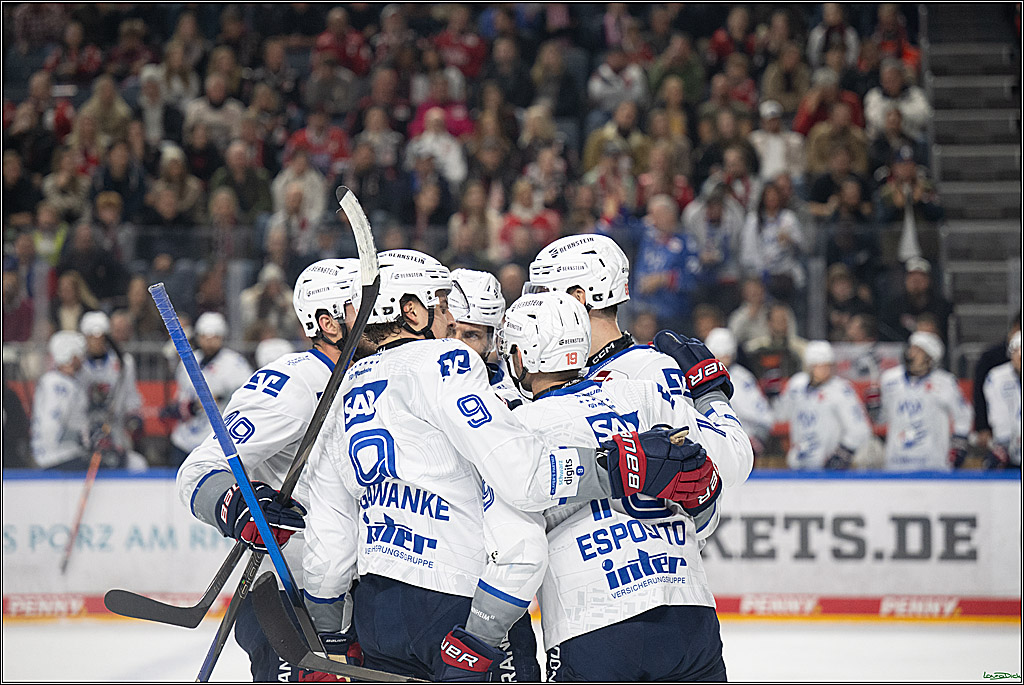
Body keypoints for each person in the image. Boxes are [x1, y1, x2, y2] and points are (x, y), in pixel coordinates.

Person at [300, 250, 708, 681]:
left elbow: (329, 543)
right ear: (412, 311)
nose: (448, 322)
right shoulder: (444, 361)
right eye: (440, 307)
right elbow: (523, 477)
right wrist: (621, 467)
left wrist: (329, 641)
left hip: (378, 610)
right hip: (455, 603)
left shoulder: (343, 386)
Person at [471, 291, 750, 682]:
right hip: (688, 609)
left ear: (520, 357)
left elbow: (519, 553)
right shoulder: (644, 393)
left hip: (594, 622)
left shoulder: (519, 429)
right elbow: (704, 506)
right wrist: (711, 395)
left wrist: (475, 638)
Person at [176, 259, 359, 682]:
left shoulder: (377, 378)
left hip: (352, 599)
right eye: (364, 309)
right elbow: (199, 469)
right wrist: (239, 505)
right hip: (288, 600)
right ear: (330, 324)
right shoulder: (294, 385)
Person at [166, 312, 254, 468]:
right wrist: (191, 406)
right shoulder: (189, 360)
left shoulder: (234, 363)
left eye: (214, 337)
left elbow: (248, 395)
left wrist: (221, 397)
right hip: (184, 440)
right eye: (205, 337)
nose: (209, 342)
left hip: (215, 442)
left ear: (221, 337)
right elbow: (181, 399)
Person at [880, 331, 972, 471]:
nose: (911, 354)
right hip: (896, 462)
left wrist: (958, 444)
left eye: (918, 351)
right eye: (912, 349)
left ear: (930, 357)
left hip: (932, 464)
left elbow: (963, 415)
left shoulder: (945, 382)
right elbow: (883, 419)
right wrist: (874, 410)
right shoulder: (889, 379)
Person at [776, 340, 874, 470]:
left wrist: (842, 454)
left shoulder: (841, 389)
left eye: (827, 365)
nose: (824, 370)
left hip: (826, 464)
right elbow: (780, 416)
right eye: (819, 366)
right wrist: (774, 397)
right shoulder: (796, 385)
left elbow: (860, 429)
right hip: (798, 461)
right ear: (809, 366)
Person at [77, 311, 146, 471]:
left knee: (137, 465)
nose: (96, 342)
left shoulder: (123, 363)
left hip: (115, 431)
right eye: (91, 337)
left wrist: (133, 418)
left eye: (100, 337)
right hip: (85, 433)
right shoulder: (78, 366)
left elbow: (131, 397)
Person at [704, 327, 773, 456]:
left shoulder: (742, 377)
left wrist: (757, 438)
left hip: (742, 440)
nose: (724, 358)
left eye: (727, 354)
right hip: (709, 439)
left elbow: (764, 417)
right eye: (720, 353)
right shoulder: (699, 376)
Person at [32, 331, 91, 470]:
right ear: (70, 355)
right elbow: (51, 423)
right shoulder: (58, 384)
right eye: (79, 354)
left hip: (62, 455)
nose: (82, 359)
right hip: (60, 457)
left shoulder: (65, 382)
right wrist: (83, 438)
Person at [982, 331, 1022, 470]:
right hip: (1008, 450)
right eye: (1016, 350)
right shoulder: (997, 377)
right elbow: (998, 413)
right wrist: (1002, 444)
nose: (1019, 355)